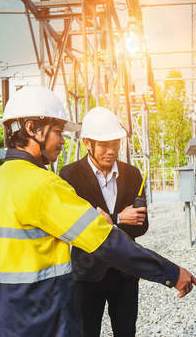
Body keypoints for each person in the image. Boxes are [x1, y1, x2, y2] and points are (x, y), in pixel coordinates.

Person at [0, 86, 196, 337]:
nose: (63, 141)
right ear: (32, 129)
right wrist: (170, 273)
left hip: (9, 322)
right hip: (48, 322)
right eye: (57, 132)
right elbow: (106, 241)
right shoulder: (44, 186)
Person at [58, 107, 149, 337]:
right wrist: (119, 218)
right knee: (86, 333)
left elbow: (142, 224)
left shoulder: (133, 174)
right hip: (87, 274)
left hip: (125, 271)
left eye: (115, 144)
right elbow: (75, 226)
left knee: (126, 332)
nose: (111, 151)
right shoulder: (69, 176)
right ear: (87, 142)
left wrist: (107, 221)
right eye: (104, 145)